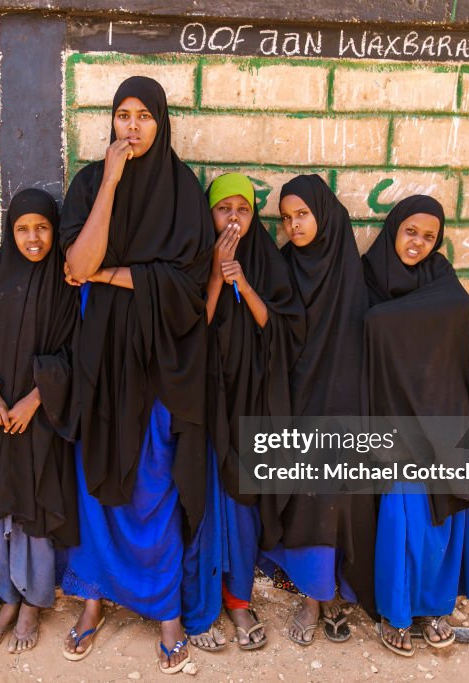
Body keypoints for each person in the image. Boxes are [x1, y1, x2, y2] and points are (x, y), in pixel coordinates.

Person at [58, 76, 216, 675]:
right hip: (100, 365)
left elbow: (184, 288)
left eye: (143, 116)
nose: (131, 127)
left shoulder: (183, 193)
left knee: (154, 487)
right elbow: (77, 263)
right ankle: (94, 599)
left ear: (161, 122)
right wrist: (111, 183)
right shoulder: (89, 185)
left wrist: (114, 276)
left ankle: (166, 608)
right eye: (122, 115)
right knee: (97, 483)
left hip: (161, 370)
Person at [361, 195, 469, 657]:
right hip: (391, 417)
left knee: (445, 519)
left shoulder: (441, 277)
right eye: (411, 231)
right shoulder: (366, 276)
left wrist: (389, 323)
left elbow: (458, 314)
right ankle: (395, 614)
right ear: (395, 227)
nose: (417, 243)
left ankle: (436, 608)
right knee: (404, 515)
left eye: (429, 237)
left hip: (439, 415)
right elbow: (364, 327)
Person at [0, 188, 78, 654]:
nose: (33, 237)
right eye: (23, 228)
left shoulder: (66, 284)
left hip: (39, 421)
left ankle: (32, 604)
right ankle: (4, 599)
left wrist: (34, 400)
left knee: (33, 514)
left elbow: (74, 353)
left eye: (42, 228)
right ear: (11, 231)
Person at [257, 174, 377, 646]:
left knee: (336, 498)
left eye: (301, 215)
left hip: (343, 402)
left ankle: (329, 594)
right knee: (305, 498)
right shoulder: (282, 264)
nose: (292, 226)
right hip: (296, 398)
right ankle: (312, 597)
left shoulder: (350, 266)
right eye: (285, 218)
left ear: (323, 214)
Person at [188, 173, 303, 653]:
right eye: (222, 209)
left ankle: (238, 600)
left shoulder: (267, 261)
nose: (232, 218)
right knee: (201, 501)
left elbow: (282, 330)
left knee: (242, 504)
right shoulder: (195, 258)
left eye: (242, 209)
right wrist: (216, 272)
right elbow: (193, 327)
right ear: (209, 214)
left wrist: (244, 281)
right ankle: (200, 603)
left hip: (250, 402)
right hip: (204, 400)